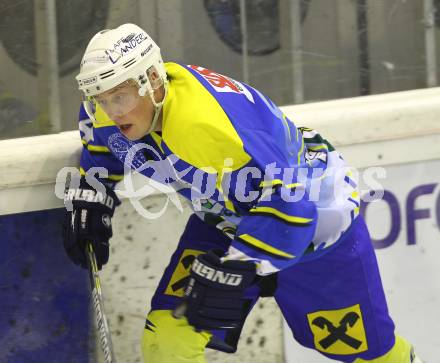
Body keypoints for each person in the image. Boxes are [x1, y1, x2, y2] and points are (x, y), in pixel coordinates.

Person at [63, 23, 423, 363]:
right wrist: (93, 197)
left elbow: (293, 207)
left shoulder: (206, 127)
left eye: (119, 97)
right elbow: (104, 146)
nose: (110, 110)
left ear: (153, 80)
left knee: (361, 351)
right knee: (169, 335)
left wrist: (242, 267)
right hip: (226, 218)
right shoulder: (108, 111)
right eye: (100, 98)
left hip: (316, 223)